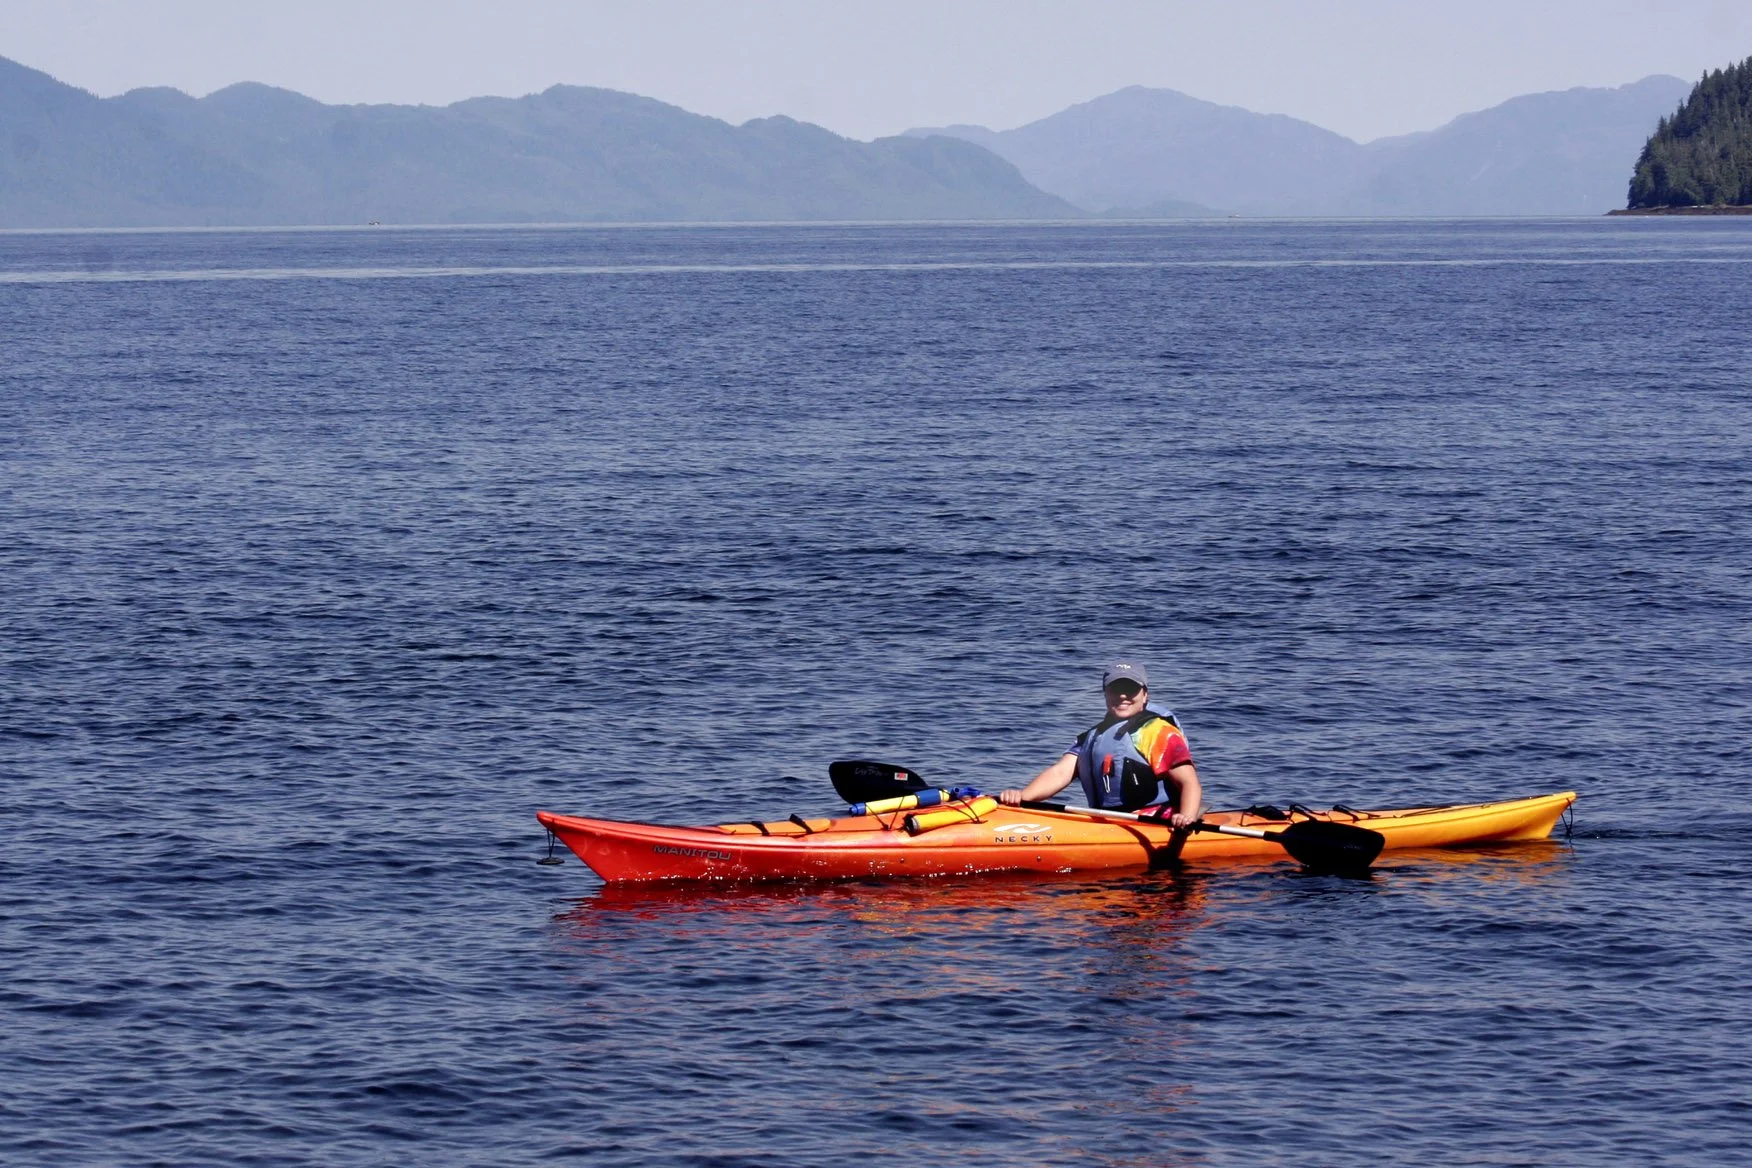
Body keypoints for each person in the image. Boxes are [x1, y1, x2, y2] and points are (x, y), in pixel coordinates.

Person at [998, 661, 1202, 829]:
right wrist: (1022, 796)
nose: (1123, 696)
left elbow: (1189, 782)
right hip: (1107, 823)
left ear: (1144, 695)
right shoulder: (1091, 737)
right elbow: (1060, 773)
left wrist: (1186, 817)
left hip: (1154, 822)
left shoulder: (1158, 732)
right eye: (1116, 689)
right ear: (1106, 693)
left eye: (1130, 689)